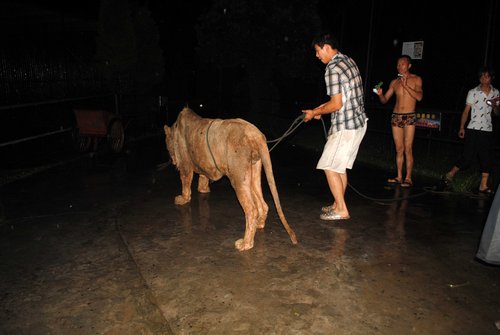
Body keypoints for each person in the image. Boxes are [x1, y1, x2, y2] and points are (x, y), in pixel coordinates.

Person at [302, 33, 368, 221]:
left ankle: (342, 210)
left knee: (328, 165)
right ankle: (337, 204)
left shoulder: (332, 68)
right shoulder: (348, 60)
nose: (317, 56)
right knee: (339, 168)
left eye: (317, 51)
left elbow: (336, 104)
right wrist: (317, 110)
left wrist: (316, 113)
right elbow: (341, 99)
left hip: (345, 126)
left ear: (326, 47)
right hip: (358, 123)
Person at [442, 66, 499, 194]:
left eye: (487, 76)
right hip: (472, 128)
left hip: (487, 129)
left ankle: (483, 185)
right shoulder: (473, 92)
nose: (484, 78)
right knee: (467, 158)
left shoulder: (496, 93)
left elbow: (496, 113)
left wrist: (495, 105)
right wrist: (462, 127)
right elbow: (466, 111)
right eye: (482, 76)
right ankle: (449, 175)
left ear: (491, 78)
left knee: (486, 157)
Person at [376, 55, 423, 187]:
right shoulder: (394, 82)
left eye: (402, 64)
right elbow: (385, 100)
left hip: (409, 116)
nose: (399, 66)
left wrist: (406, 86)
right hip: (396, 116)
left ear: (409, 66)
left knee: (408, 148)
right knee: (399, 148)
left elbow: (419, 97)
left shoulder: (416, 79)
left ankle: (408, 178)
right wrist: (380, 94)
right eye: (398, 64)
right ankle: (399, 176)